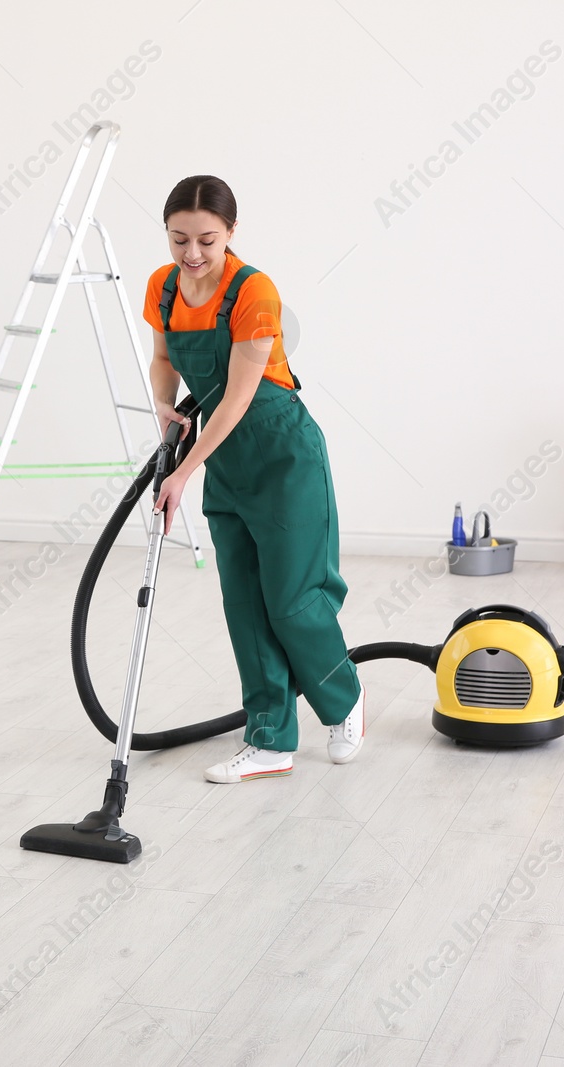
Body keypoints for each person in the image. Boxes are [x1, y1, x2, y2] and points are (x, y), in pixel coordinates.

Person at [145, 175, 363, 784]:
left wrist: (183, 472)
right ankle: (269, 740)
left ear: (231, 234)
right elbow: (164, 360)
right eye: (179, 238)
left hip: (282, 454)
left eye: (206, 240)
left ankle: (343, 701)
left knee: (292, 603)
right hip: (228, 463)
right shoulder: (162, 288)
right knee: (244, 605)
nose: (192, 253)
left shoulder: (253, 290)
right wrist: (164, 408)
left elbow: (237, 398)